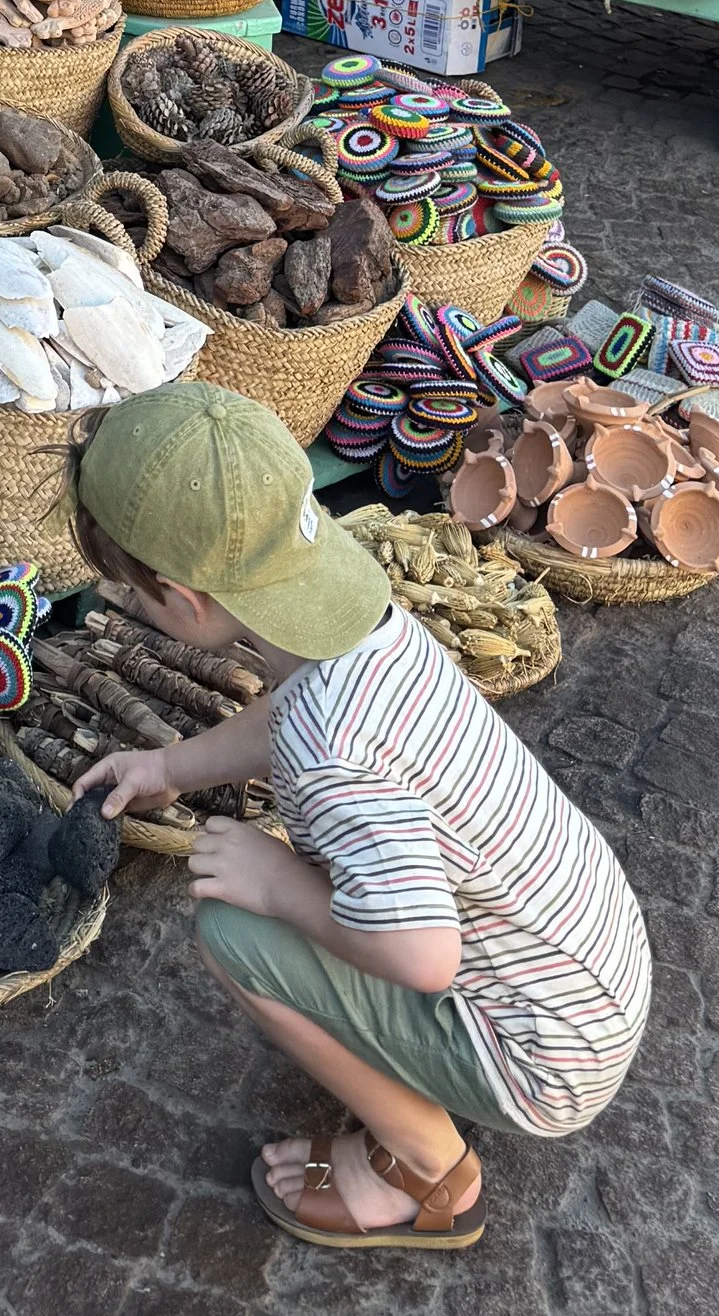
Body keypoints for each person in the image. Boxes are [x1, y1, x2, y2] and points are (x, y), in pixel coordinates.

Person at [69, 381, 650, 1254]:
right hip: (587, 974)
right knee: (275, 895)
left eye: (134, 593)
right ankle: (419, 1092)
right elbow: (290, 711)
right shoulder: (361, 628)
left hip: (547, 1059)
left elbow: (423, 957)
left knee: (234, 928)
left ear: (184, 603)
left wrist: (281, 888)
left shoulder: (334, 748)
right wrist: (168, 767)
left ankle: (426, 1169)